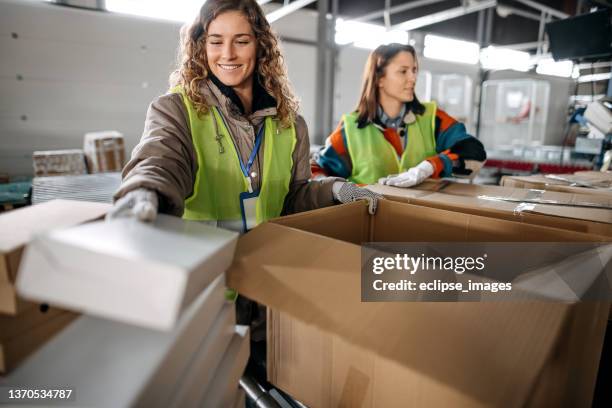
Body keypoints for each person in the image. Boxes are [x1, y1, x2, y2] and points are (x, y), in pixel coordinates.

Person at [107, 0, 381, 228]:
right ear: (202, 47)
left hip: (265, 270)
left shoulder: (290, 124)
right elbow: (160, 160)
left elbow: (293, 196)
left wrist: (332, 189)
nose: (228, 54)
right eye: (216, 42)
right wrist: (144, 189)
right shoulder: (176, 110)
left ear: (260, 45)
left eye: (241, 41)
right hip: (210, 275)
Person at [312, 43, 486, 188]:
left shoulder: (433, 119)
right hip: (365, 221)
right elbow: (318, 171)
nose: (413, 78)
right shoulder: (350, 130)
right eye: (403, 71)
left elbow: (474, 151)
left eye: (414, 70)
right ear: (379, 78)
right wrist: (339, 190)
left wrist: (430, 167)